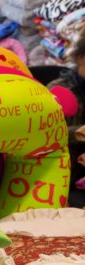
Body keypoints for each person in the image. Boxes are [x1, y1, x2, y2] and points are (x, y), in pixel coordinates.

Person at [48, 31, 85, 208]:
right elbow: (45, 133)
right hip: (66, 173)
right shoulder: (59, 90)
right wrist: (77, 132)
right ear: (79, 57)